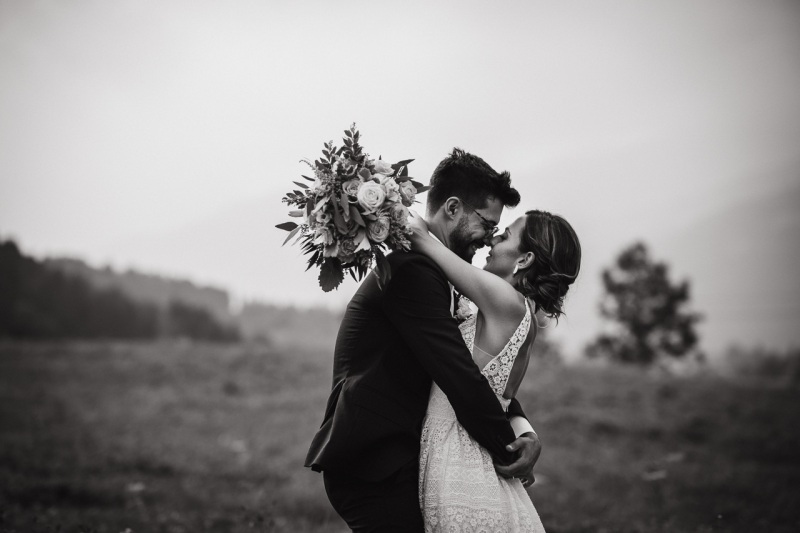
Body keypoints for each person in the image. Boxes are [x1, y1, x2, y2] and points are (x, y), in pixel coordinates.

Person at [305, 149, 542, 532]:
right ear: (452, 208)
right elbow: (458, 373)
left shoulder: (437, 270)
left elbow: (480, 366)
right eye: (486, 224)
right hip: (374, 460)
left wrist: (521, 428)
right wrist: (506, 450)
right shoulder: (412, 268)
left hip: (398, 456)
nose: (489, 239)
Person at [408, 208, 581, 532]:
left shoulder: (507, 300)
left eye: (505, 235)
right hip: (468, 456)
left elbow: (423, 241)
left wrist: (383, 201)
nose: (493, 239)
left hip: (461, 463)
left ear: (526, 258)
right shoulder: (519, 312)